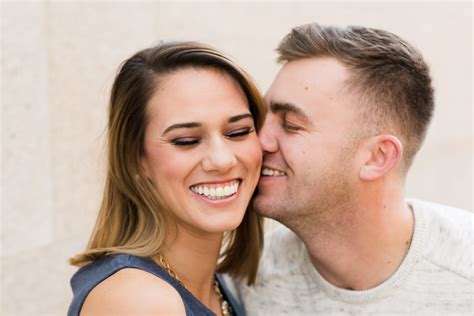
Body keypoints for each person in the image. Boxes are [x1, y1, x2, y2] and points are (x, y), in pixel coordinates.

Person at [234, 23, 473, 315]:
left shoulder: (465, 276)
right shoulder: (247, 284)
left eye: (291, 125)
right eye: (263, 117)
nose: (259, 141)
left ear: (377, 157)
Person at [68, 41, 266, 316]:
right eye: (186, 141)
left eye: (238, 132)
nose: (222, 160)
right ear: (136, 159)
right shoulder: (139, 301)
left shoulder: (219, 286)